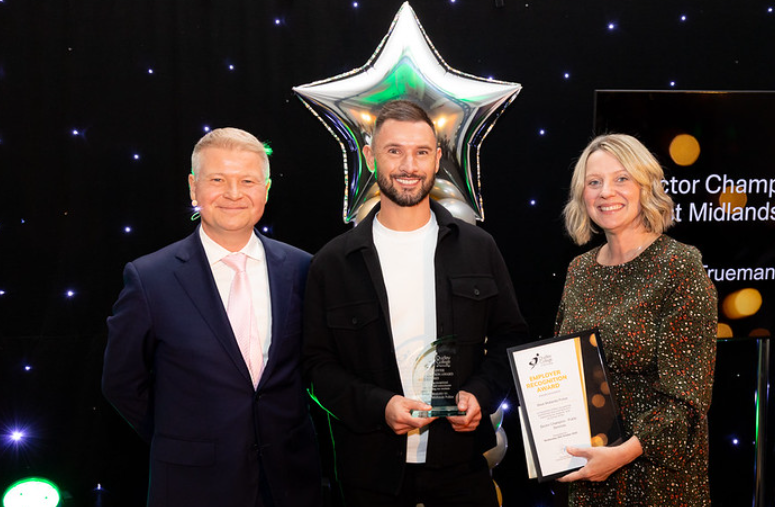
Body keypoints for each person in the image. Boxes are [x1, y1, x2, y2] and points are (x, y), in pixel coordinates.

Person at [301, 99, 528, 507]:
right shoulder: (332, 263)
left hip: (462, 470)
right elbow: (317, 367)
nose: (409, 165)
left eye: (421, 152)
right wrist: (380, 406)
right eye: (394, 151)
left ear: (438, 158)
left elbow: (511, 338)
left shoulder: (479, 248)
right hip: (369, 476)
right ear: (370, 157)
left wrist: (480, 394)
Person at [102, 127, 322, 507]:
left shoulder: (304, 268)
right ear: (193, 187)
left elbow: (315, 365)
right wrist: (182, 434)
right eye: (218, 180)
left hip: (290, 481)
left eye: (248, 181)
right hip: (192, 484)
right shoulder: (150, 278)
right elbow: (121, 381)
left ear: (266, 190)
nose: (234, 194)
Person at [554, 134, 718, 506]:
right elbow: (564, 372)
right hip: (590, 475)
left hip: (656, 480)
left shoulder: (680, 267)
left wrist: (623, 454)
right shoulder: (579, 270)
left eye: (621, 179)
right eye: (594, 182)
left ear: (646, 186)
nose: (606, 192)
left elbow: (688, 401)